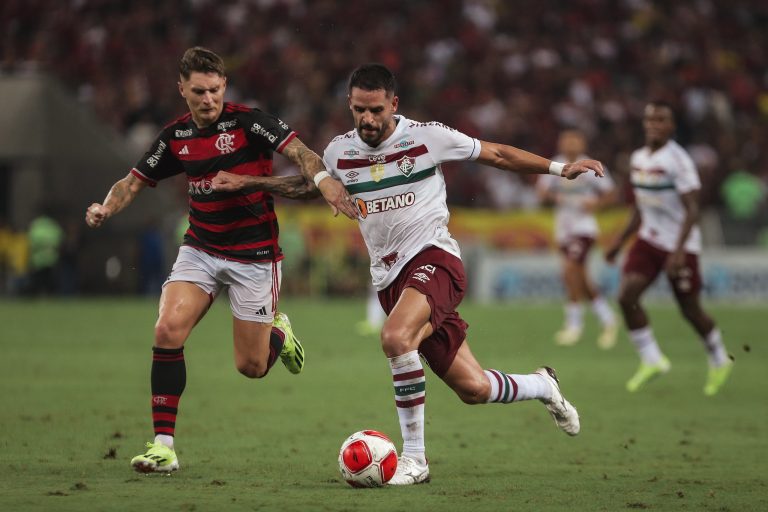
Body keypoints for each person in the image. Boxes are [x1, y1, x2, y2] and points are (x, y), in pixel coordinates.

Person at [212, 63, 605, 485]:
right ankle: (543, 385)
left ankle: (415, 460)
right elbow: (312, 186)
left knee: (395, 338)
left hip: (435, 259)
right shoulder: (338, 151)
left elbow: (497, 154)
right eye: (359, 109)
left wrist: (559, 169)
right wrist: (247, 183)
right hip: (389, 280)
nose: (367, 119)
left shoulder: (427, 136)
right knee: (473, 389)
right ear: (350, 104)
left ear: (394, 104)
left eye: (376, 109)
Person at [85, 46, 357, 474]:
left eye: (214, 90)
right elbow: (133, 181)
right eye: (198, 91)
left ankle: (278, 334)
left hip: (255, 255)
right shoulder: (176, 137)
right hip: (201, 248)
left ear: (224, 86)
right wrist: (106, 207)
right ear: (182, 89)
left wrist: (314, 180)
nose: (207, 99)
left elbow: (304, 156)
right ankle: (164, 446)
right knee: (167, 328)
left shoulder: (251, 123)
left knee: (250, 368)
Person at [604, 101, 733, 395]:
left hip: (680, 245)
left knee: (689, 310)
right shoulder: (637, 158)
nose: (654, 125)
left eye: (661, 120)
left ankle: (719, 358)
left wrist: (678, 252)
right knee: (626, 296)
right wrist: (619, 242)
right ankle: (652, 360)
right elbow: (640, 204)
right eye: (650, 120)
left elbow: (692, 209)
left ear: (672, 126)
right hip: (648, 239)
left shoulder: (679, 160)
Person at [537, 129, 618, 348]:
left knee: (570, 270)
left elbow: (611, 193)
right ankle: (608, 319)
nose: (570, 144)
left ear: (582, 143)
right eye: (566, 140)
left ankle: (574, 324)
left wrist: (597, 204)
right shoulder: (556, 164)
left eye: (574, 140)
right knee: (580, 278)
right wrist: (554, 196)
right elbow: (541, 194)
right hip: (563, 229)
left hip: (584, 228)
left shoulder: (592, 167)